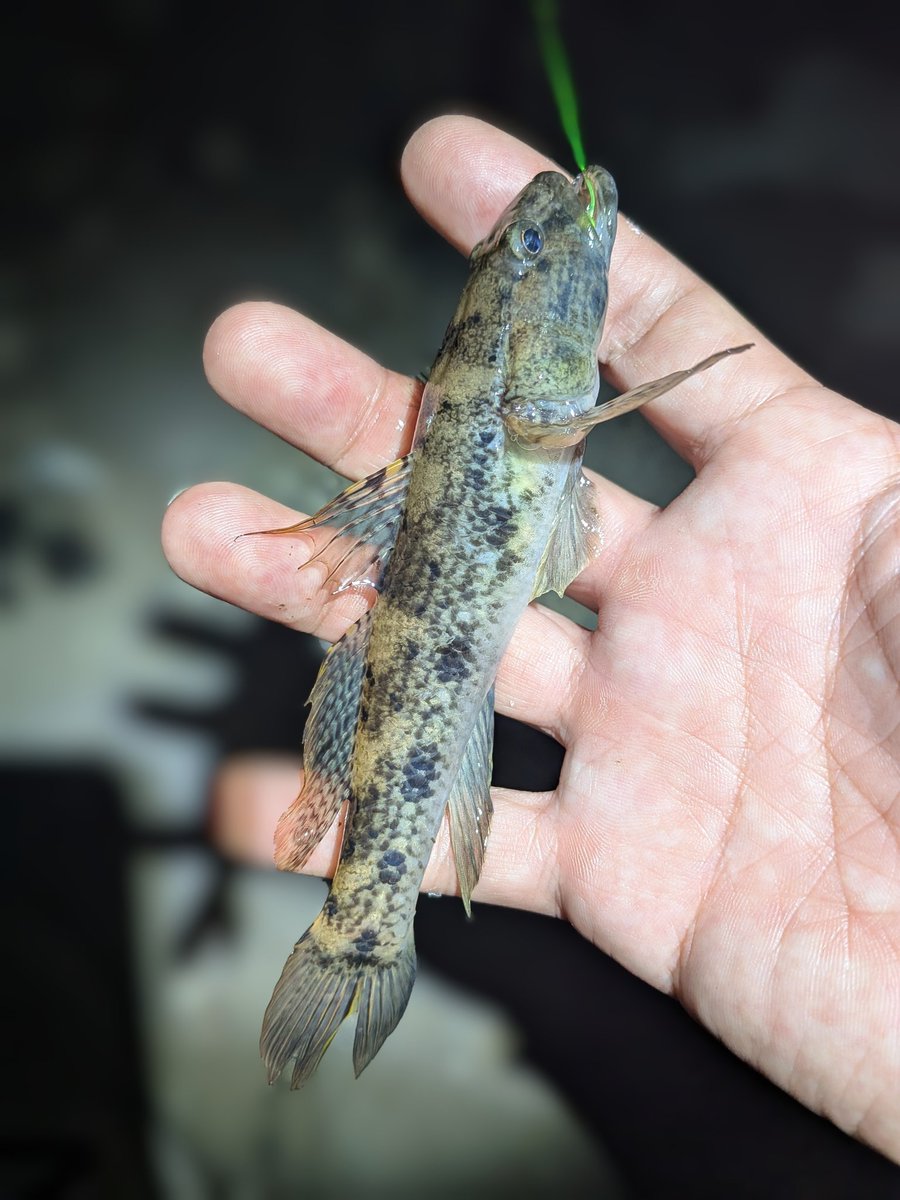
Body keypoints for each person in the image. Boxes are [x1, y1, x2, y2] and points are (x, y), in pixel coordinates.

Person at [162, 116, 900, 1164]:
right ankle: (364, 928)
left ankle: (360, 927)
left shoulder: (528, 392)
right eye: (527, 259)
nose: (549, 248)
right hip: (439, 631)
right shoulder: (533, 399)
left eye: (534, 256)